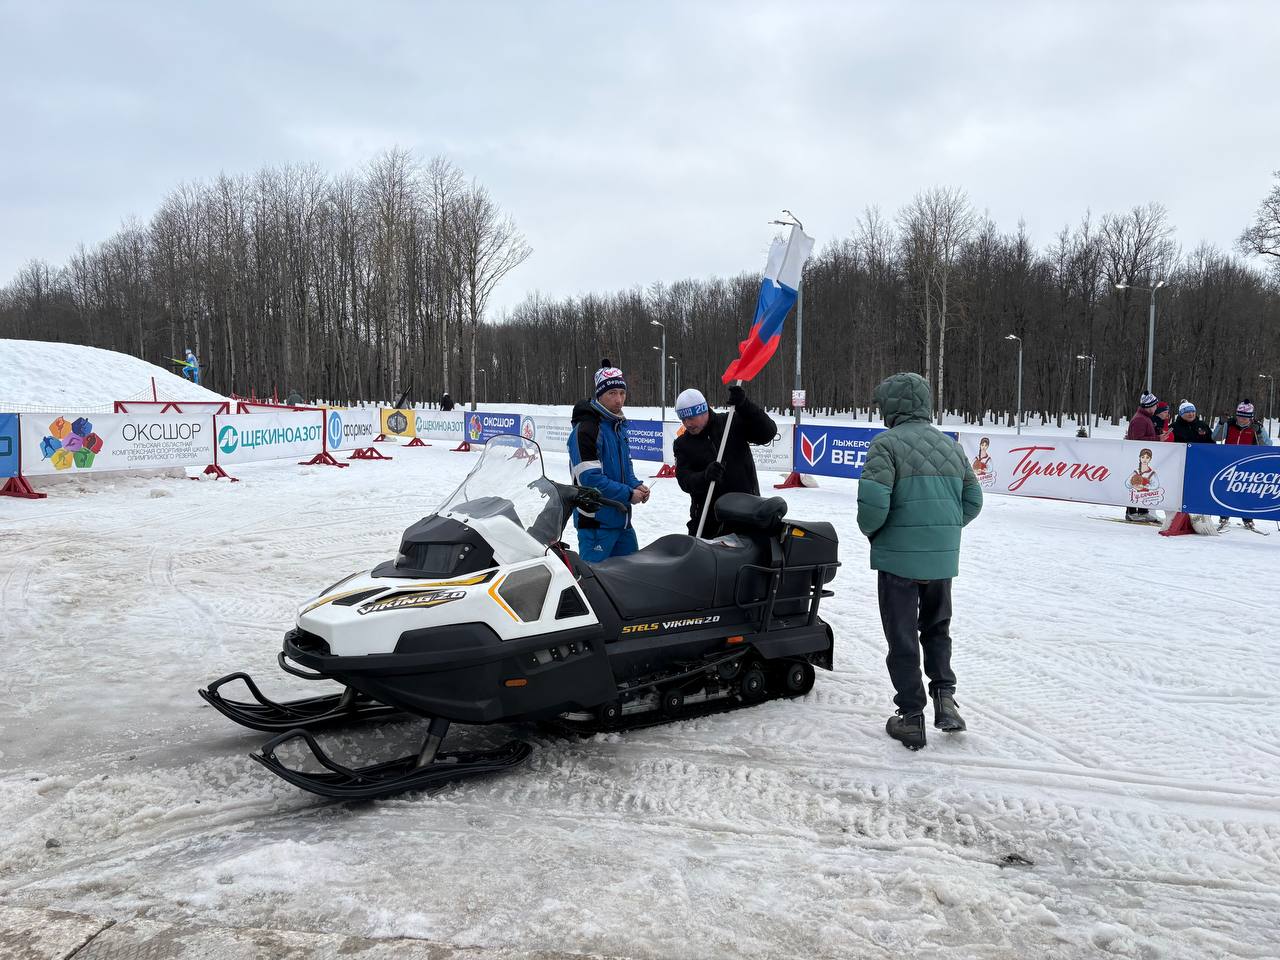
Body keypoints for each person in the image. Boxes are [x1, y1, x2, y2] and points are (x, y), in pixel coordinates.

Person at [856, 372, 983, 751]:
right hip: (940, 562)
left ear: (893, 407)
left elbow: (872, 507)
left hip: (899, 561)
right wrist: (941, 531)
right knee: (937, 628)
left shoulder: (886, 445)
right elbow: (973, 502)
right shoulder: (952, 447)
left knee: (902, 635)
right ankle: (945, 698)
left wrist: (878, 535)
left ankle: (911, 716)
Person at [567, 359, 649, 561]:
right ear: (600, 395)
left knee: (631, 579)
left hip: (621, 521)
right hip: (596, 525)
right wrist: (629, 494)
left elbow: (625, 468)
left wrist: (636, 485)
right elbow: (590, 480)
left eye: (622, 393)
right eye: (612, 394)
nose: (619, 400)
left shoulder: (618, 426)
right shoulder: (587, 430)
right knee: (593, 586)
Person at [673, 385, 777, 538]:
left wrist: (745, 406)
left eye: (691, 418)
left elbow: (767, 433)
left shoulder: (730, 424)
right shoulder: (682, 444)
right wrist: (705, 476)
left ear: (704, 410)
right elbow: (684, 479)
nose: (687, 424)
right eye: (683, 419)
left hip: (746, 514)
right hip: (707, 521)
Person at [1212, 400, 1273, 531]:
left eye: (1245, 417)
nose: (1242, 420)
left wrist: (1260, 433)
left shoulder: (1257, 427)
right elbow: (1215, 437)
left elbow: (1268, 446)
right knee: (1225, 490)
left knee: (1246, 491)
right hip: (1228, 463)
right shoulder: (1230, 424)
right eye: (1240, 416)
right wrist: (1221, 423)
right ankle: (1224, 516)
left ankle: (1248, 518)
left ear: (1251, 417)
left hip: (1248, 464)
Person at [1124, 393, 1160, 522]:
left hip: (1144, 458)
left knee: (1145, 484)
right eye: (1155, 405)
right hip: (1138, 459)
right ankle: (1132, 511)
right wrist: (1158, 438)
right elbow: (1137, 440)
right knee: (1136, 483)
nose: (1156, 408)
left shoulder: (1145, 418)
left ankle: (1143, 511)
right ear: (1149, 406)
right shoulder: (1140, 419)